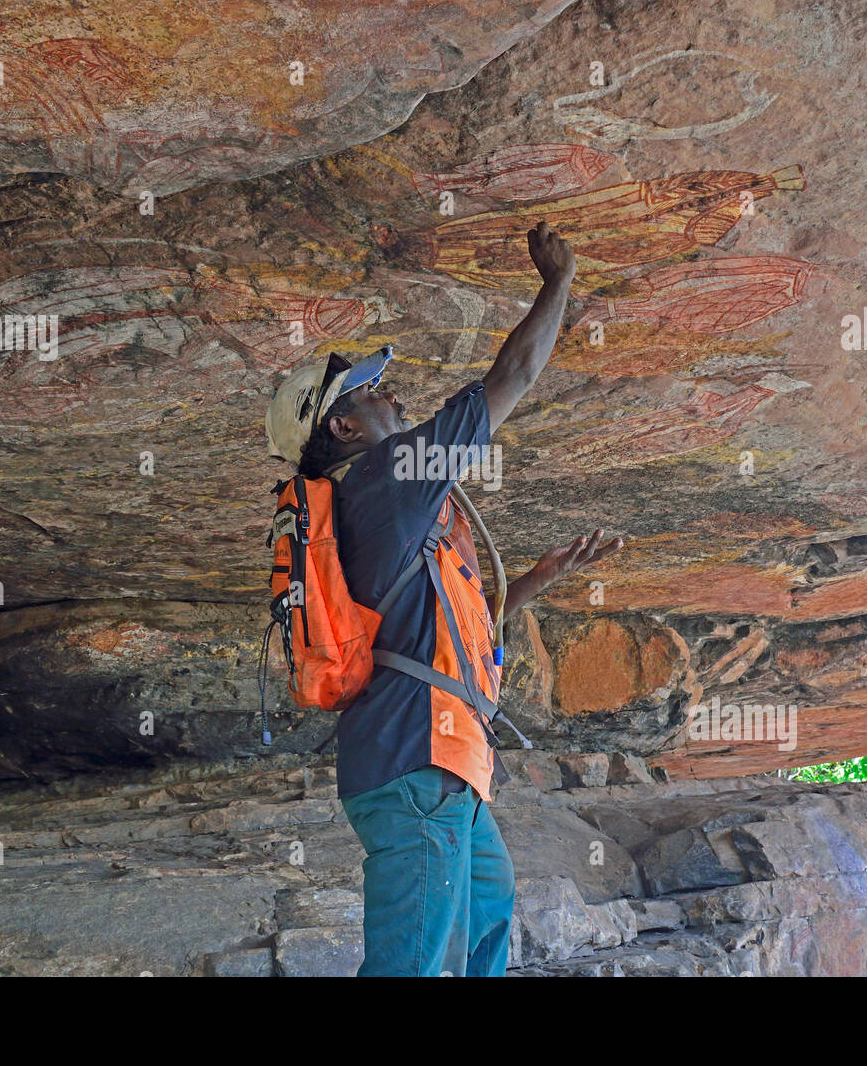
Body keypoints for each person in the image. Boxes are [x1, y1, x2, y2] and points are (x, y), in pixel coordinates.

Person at [263, 220, 623, 976]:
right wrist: (558, 281)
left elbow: (430, 634)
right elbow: (511, 378)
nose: (392, 392)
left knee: (489, 920)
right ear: (345, 425)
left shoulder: (385, 508)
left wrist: (529, 584)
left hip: (439, 763)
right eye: (372, 389)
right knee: (414, 965)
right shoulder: (389, 475)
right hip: (411, 764)